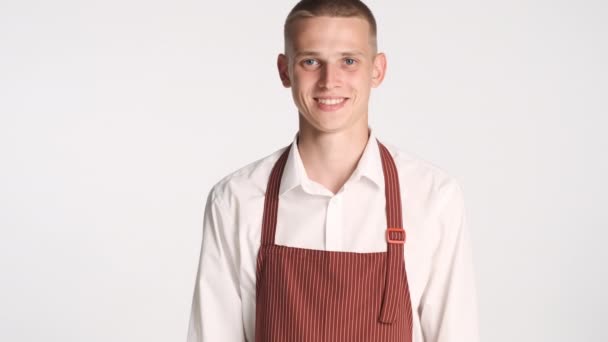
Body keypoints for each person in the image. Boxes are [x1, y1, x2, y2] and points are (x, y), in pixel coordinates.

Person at [187, 0, 479, 341]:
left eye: (349, 61)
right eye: (311, 61)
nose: (330, 80)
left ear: (377, 70)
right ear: (285, 71)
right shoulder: (236, 200)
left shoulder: (433, 196)